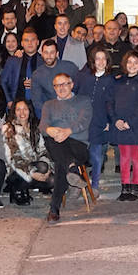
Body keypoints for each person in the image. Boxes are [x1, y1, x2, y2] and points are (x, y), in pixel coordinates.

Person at [40, 73, 93, 222]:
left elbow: (84, 121)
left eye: (65, 84)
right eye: (57, 85)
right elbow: (42, 125)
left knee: (60, 164)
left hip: (78, 145)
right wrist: (49, 130)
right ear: (54, 88)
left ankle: (54, 208)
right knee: (54, 143)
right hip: (56, 142)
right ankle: (72, 168)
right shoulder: (49, 105)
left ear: (72, 84)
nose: (61, 88)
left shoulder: (83, 101)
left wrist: (67, 131)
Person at [72, 47, 116, 193]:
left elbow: (111, 102)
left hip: (100, 122)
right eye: (98, 58)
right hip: (82, 121)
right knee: (79, 154)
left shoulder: (110, 80)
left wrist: (109, 121)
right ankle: (77, 184)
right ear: (92, 60)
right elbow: (74, 95)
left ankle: (95, 185)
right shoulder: (83, 77)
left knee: (97, 156)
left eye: (104, 58)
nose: (101, 61)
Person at [111, 51, 138, 202]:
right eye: (129, 62)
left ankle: (135, 187)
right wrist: (116, 120)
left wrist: (130, 122)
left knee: (135, 157)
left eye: (135, 62)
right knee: (124, 157)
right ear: (124, 64)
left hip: (136, 125)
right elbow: (111, 103)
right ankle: (125, 187)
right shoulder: (118, 81)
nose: (132, 65)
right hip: (120, 125)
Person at [2, 99, 54, 205]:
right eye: (18, 110)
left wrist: (47, 169)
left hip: (34, 166)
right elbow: (13, 158)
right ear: (14, 112)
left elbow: (42, 150)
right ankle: (16, 188)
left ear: (29, 111)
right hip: (15, 169)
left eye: (25, 109)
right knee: (41, 167)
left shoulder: (34, 127)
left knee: (51, 180)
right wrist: (31, 173)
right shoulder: (9, 128)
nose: (22, 113)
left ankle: (24, 186)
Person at [30, 39, 78, 118]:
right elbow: (37, 102)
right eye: (46, 52)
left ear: (57, 54)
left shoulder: (71, 67)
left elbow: (80, 89)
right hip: (51, 115)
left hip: (73, 112)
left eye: (52, 52)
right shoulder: (37, 75)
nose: (49, 56)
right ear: (42, 54)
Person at [1, 28, 42, 109]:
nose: (30, 43)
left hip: (38, 106)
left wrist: (36, 84)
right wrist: (9, 100)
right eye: (26, 40)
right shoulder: (13, 60)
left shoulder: (44, 61)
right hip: (16, 105)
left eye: (33, 40)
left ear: (37, 42)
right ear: (22, 43)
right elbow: (3, 81)